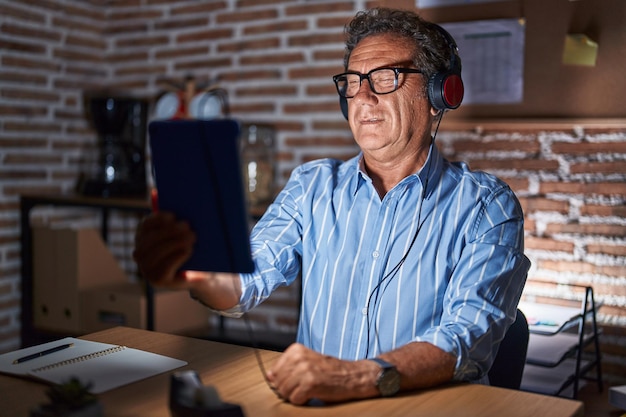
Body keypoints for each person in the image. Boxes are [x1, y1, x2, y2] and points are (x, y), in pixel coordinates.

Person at [134, 7, 530, 406]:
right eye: (353, 82)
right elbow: (242, 282)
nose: (363, 96)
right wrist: (195, 272)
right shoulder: (313, 187)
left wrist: (357, 377)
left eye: (384, 77)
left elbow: (467, 339)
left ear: (438, 95)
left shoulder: (487, 206)